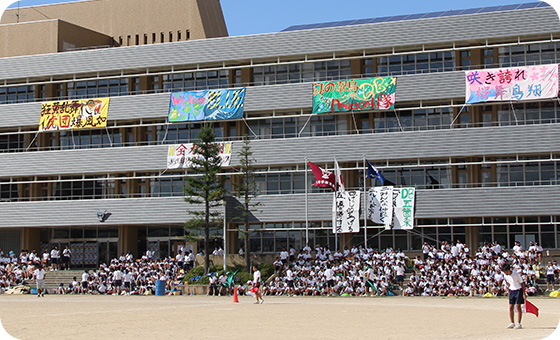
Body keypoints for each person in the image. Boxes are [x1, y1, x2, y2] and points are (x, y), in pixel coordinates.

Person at [502, 263, 526, 329]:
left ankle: (519, 323)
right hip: (512, 291)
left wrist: (524, 293)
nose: (504, 273)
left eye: (505, 271)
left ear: (508, 270)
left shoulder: (516, 274)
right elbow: (508, 283)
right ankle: (512, 322)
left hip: (518, 290)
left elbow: (522, 284)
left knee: (518, 306)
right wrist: (509, 290)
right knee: (510, 307)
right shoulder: (505, 275)